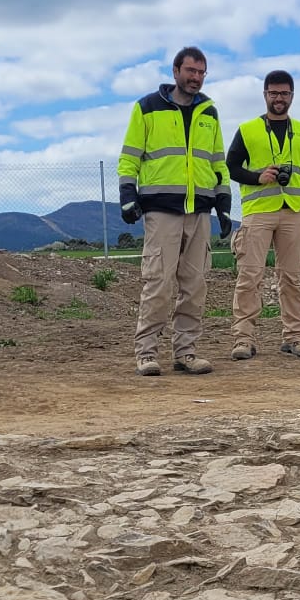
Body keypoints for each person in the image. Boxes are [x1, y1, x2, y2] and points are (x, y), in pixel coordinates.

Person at [117, 46, 231, 375]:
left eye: (201, 73)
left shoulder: (209, 112)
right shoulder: (147, 108)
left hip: (200, 212)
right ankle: (147, 352)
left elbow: (217, 161)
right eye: (190, 71)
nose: (195, 78)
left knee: (195, 284)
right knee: (158, 283)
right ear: (175, 71)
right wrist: (127, 192)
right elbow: (129, 157)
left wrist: (223, 201)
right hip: (162, 211)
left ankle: (186, 351)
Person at [224, 69, 300, 361]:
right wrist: (257, 177)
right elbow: (231, 166)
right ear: (265, 94)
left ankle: (294, 337)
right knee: (249, 276)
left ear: (292, 96)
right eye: (274, 93)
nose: (279, 98)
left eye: (284, 93)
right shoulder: (247, 129)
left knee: (292, 277)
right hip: (258, 213)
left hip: (293, 213)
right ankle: (243, 339)